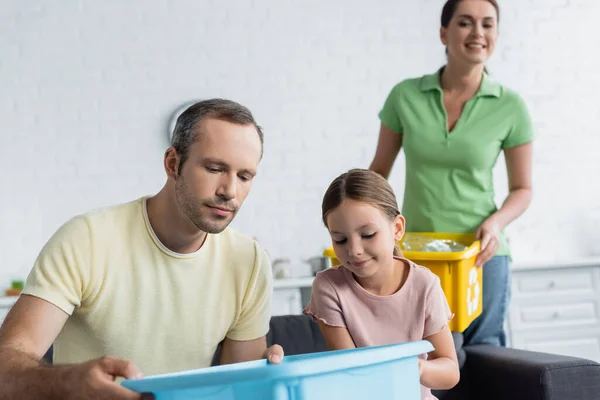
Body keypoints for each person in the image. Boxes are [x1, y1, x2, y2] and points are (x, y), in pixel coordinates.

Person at [0, 99, 284, 400]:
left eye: (244, 177)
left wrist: (269, 372)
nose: (230, 191)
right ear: (173, 163)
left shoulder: (249, 262)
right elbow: (5, 369)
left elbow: (241, 388)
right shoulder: (87, 239)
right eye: (215, 168)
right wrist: (69, 383)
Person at [369, 0, 533, 347]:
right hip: (418, 256)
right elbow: (377, 175)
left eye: (488, 24)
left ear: (496, 35)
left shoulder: (511, 106)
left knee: (486, 357)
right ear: (444, 33)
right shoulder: (405, 96)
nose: (478, 33)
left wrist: (496, 224)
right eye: (465, 23)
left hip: (481, 255)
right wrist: (372, 229)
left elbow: (522, 189)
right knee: (424, 354)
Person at [304, 169, 459, 399]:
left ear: (397, 228)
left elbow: (450, 371)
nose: (354, 250)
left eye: (367, 235)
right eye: (340, 239)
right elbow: (352, 372)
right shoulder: (329, 287)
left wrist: (417, 369)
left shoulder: (424, 284)